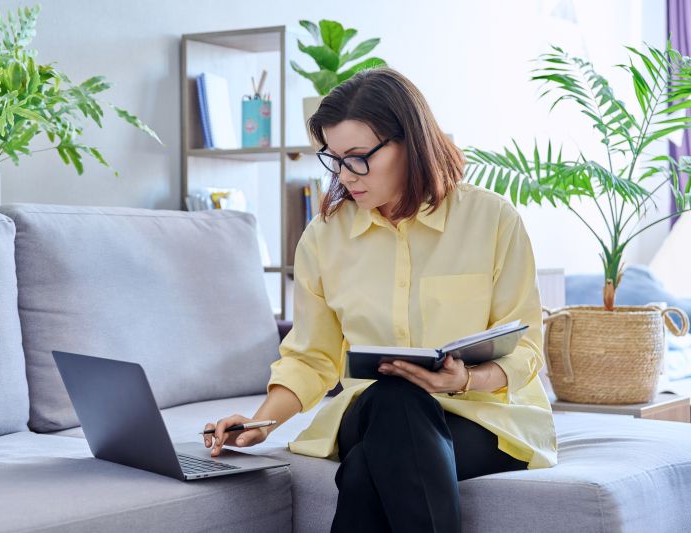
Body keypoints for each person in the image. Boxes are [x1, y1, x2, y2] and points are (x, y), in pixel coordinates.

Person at [202, 66, 558, 532]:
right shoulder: (324, 238)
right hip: (373, 412)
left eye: (358, 156)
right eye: (334, 158)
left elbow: (526, 347)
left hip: (484, 419)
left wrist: (463, 379)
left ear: (410, 141)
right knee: (393, 399)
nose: (346, 175)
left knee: (368, 469)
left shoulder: (492, 220)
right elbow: (311, 358)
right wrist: (260, 422)